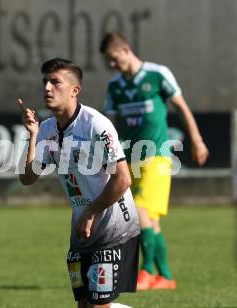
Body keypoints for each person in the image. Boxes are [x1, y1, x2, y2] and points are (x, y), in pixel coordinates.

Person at [18, 58, 140, 308]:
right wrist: (31, 136)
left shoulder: (96, 125)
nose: (47, 88)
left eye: (55, 82)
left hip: (113, 227)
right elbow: (28, 177)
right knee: (84, 305)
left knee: (97, 305)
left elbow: (123, 178)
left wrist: (90, 213)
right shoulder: (48, 129)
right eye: (45, 82)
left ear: (75, 90)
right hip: (82, 232)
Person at [99, 32, 209, 290]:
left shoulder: (157, 74)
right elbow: (111, 125)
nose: (112, 65)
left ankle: (146, 271)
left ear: (126, 49)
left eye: (114, 59)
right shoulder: (115, 86)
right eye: (108, 61)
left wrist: (197, 139)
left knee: (140, 212)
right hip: (129, 158)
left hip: (156, 156)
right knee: (150, 221)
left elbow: (181, 106)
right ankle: (166, 277)